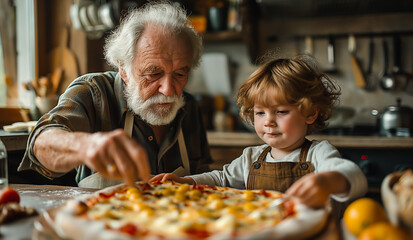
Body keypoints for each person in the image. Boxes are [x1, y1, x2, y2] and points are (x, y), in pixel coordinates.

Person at [18, 2, 212, 188]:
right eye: (153, 74)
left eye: (180, 74)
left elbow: (204, 184)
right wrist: (85, 145)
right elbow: (40, 144)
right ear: (124, 69)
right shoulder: (93, 93)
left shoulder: (190, 108)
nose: (169, 90)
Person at [151, 55, 368, 211]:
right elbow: (221, 179)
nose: (269, 122)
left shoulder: (318, 153)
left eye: (281, 111)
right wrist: (188, 182)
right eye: (260, 113)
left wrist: (329, 181)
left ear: (310, 113)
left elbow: (355, 175)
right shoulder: (251, 158)